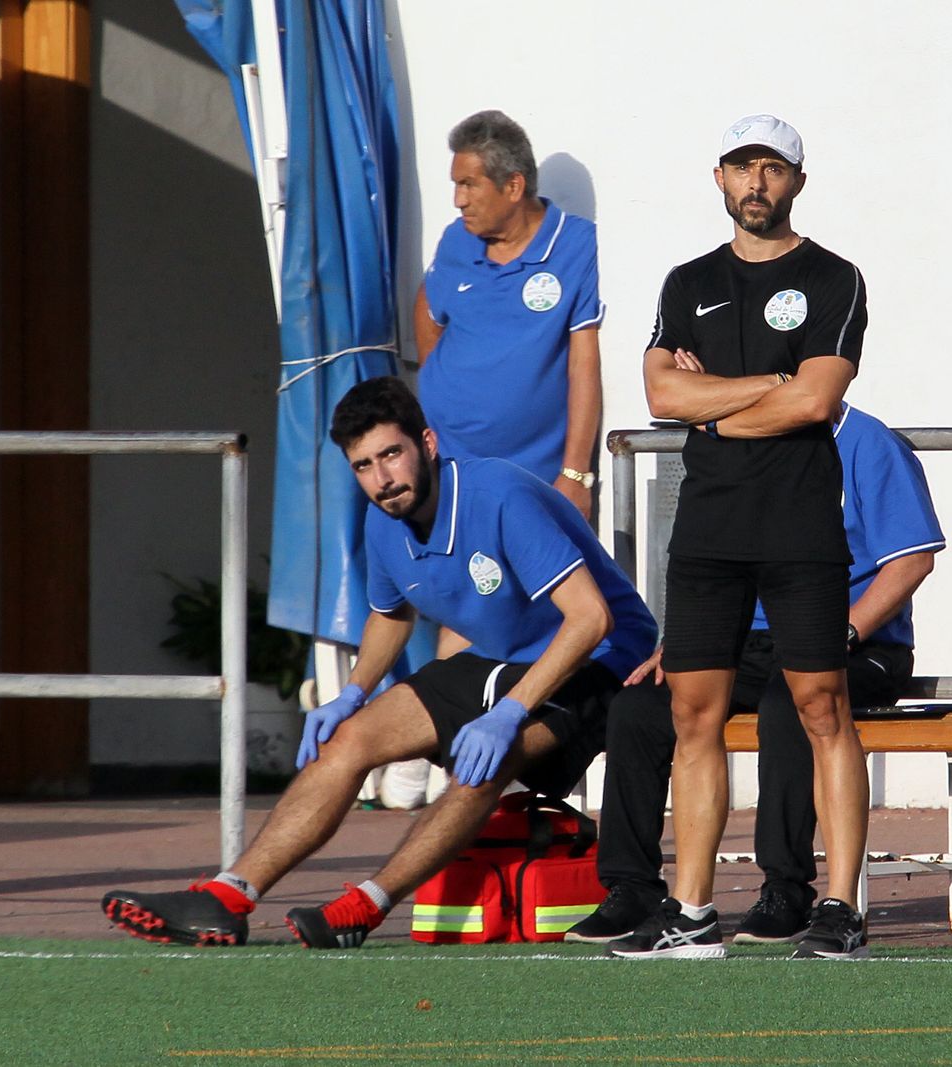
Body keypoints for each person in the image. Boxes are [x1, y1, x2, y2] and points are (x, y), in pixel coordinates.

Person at [101, 377, 656, 948]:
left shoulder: (500, 496)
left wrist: (508, 713)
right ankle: (228, 897)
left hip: (605, 660)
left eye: (391, 454)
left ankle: (364, 907)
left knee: (484, 764)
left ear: (428, 444)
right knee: (348, 740)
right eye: (363, 465)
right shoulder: (384, 519)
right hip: (500, 657)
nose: (382, 478)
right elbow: (391, 614)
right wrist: (352, 694)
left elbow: (591, 619)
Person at [610, 114, 872, 960]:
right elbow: (662, 396)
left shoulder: (834, 278)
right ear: (719, 178)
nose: (756, 182)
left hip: (799, 523)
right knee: (693, 713)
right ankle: (691, 911)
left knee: (822, 706)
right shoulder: (687, 281)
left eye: (772, 167)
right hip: (709, 528)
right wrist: (771, 383)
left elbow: (817, 401)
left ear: (797, 181)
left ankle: (841, 907)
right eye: (741, 167)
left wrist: (716, 407)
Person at [566, 402, 945, 947]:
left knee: (788, 705)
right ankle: (634, 888)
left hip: (860, 643)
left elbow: (912, 559)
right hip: (749, 639)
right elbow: (721, 567)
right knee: (640, 706)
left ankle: (786, 890)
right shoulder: (742, 442)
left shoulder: (867, 442)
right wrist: (687, 646)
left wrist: (843, 632)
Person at [414, 109, 604, 521]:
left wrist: (576, 475)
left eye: (468, 184)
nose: (458, 200)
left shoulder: (575, 245)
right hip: (447, 473)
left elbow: (584, 364)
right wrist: (438, 385)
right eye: (456, 185)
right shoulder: (456, 239)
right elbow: (427, 308)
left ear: (514, 186)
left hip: (531, 480)